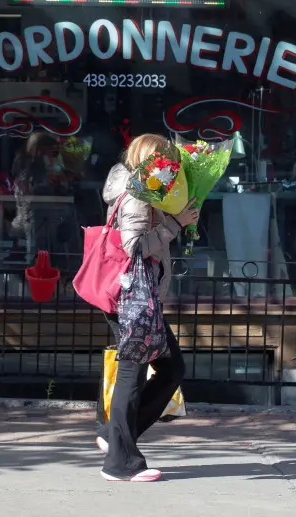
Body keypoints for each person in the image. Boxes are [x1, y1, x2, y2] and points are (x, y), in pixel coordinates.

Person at [96, 133, 198, 482]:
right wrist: (175, 224)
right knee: (133, 374)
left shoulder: (143, 190)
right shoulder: (137, 195)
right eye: (167, 162)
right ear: (151, 161)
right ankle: (120, 462)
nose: (172, 170)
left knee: (171, 368)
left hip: (137, 299)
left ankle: (116, 437)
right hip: (132, 299)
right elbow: (134, 247)